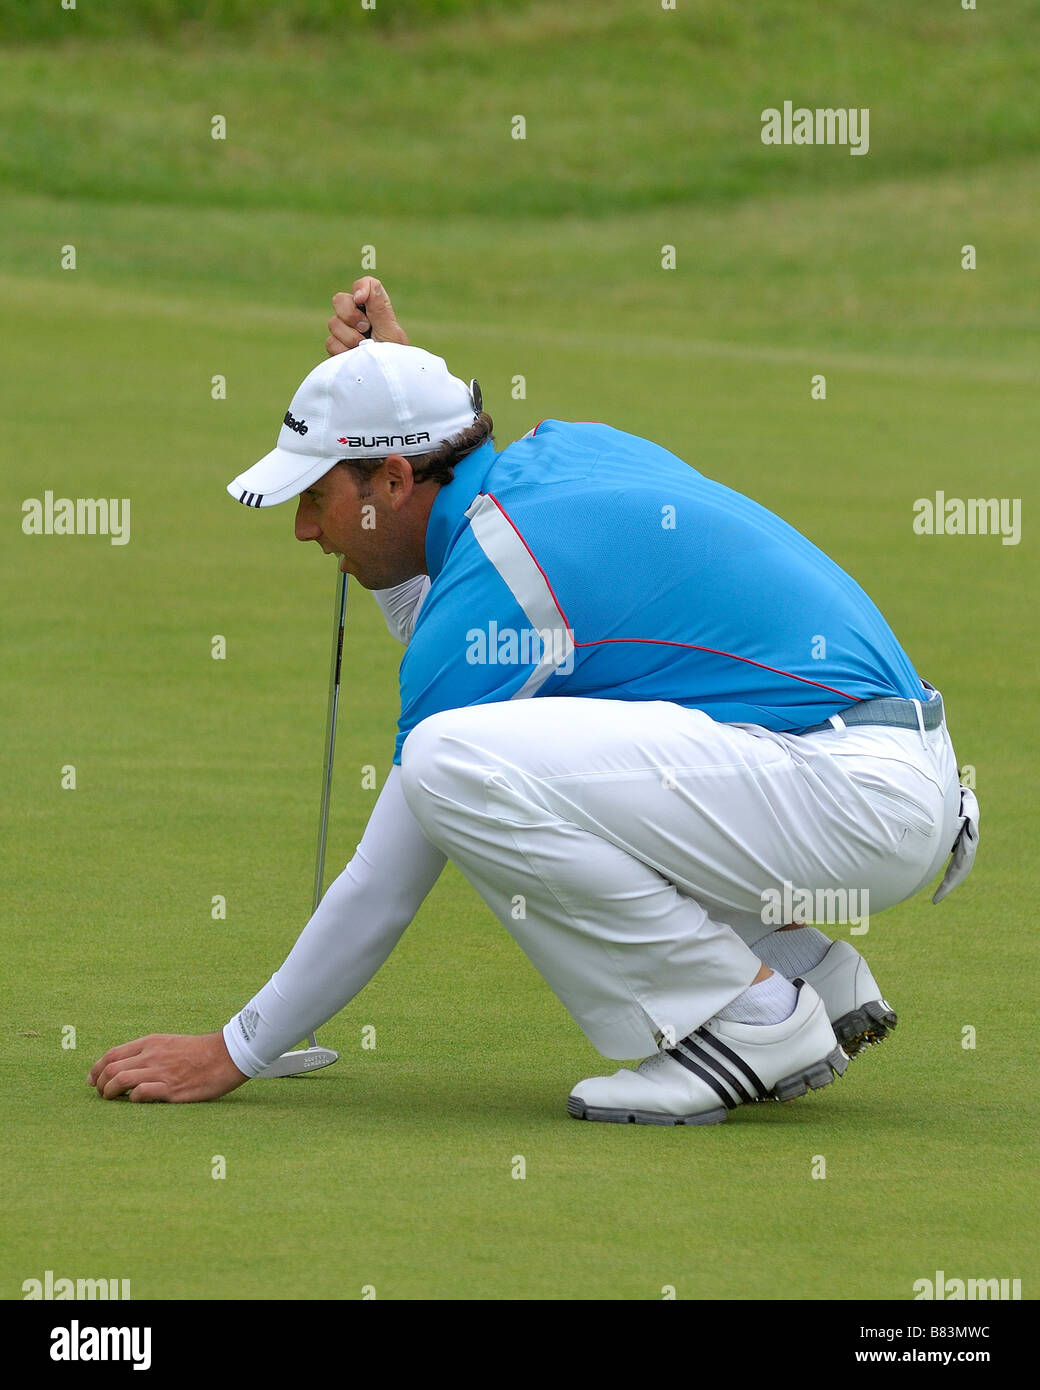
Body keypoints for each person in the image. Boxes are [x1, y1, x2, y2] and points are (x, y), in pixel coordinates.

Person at [88, 278, 979, 1123]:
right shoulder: (552, 459)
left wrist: (236, 1049)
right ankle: (804, 971)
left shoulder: (504, 572)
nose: (305, 529)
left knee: (448, 763)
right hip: (877, 770)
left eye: (319, 496)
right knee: (527, 754)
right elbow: (468, 611)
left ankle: (744, 1020)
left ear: (396, 480)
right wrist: (396, 381)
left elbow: (388, 878)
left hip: (850, 795)